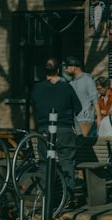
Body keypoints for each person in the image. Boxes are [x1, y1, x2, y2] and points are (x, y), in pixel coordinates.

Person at [30, 57, 82, 205]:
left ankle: (49, 196)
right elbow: (78, 108)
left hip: (44, 130)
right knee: (67, 163)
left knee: (45, 163)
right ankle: (68, 197)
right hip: (64, 129)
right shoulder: (66, 87)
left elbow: (34, 106)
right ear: (58, 70)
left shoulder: (37, 88)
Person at [65, 56, 97, 136]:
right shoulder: (71, 83)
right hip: (75, 118)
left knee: (82, 141)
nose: (66, 70)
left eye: (67, 67)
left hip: (85, 118)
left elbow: (94, 99)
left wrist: (99, 117)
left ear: (73, 67)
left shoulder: (88, 80)